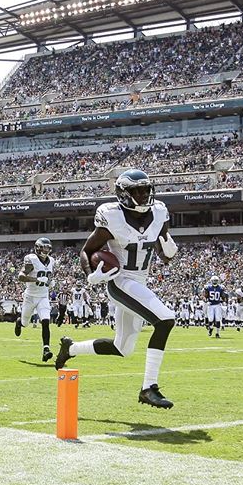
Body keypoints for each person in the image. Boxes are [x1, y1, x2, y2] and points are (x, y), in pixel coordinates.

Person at [54, 169, 178, 409]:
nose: (143, 195)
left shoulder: (160, 212)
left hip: (139, 282)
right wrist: (91, 274)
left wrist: (169, 254)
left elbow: (163, 251)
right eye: (137, 191)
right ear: (124, 194)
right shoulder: (112, 216)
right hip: (120, 282)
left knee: (123, 348)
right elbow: (88, 250)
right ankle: (148, 388)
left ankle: (71, 348)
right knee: (166, 319)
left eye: (146, 190)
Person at [15, 237, 56, 362]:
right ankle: (19, 322)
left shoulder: (52, 261)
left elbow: (47, 276)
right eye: (44, 247)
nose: (47, 250)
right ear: (38, 248)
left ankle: (46, 350)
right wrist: (36, 280)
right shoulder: (31, 259)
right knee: (25, 323)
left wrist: (50, 282)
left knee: (45, 321)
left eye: (48, 247)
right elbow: (21, 276)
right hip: (30, 297)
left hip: (43, 296)